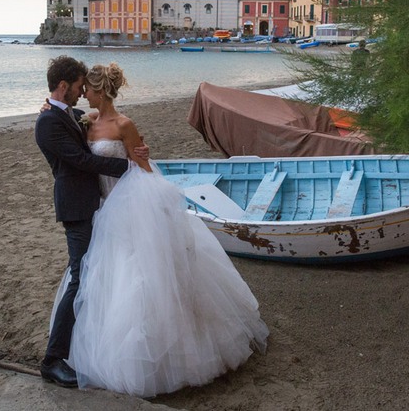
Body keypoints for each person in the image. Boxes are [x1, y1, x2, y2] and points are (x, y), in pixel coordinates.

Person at [55, 62, 269, 398]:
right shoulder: (87, 121)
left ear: (101, 91)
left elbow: (142, 167)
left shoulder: (125, 124)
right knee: (105, 277)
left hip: (128, 204)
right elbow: (71, 137)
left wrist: (153, 187)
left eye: (88, 89)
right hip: (102, 208)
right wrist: (48, 107)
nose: (83, 93)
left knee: (140, 276)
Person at [34, 56, 148, 388]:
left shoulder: (75, 115)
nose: (83, 91)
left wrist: (135, 151)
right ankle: (52, 360)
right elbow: (82, 160)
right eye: (79, 86)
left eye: (87, 86)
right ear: (63, 86)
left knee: (99, 275)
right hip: (77, 208)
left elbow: (103, 129)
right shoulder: (47, 123)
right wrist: (129, 167)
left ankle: (90, 347)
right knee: (79, 278)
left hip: (99, 205)